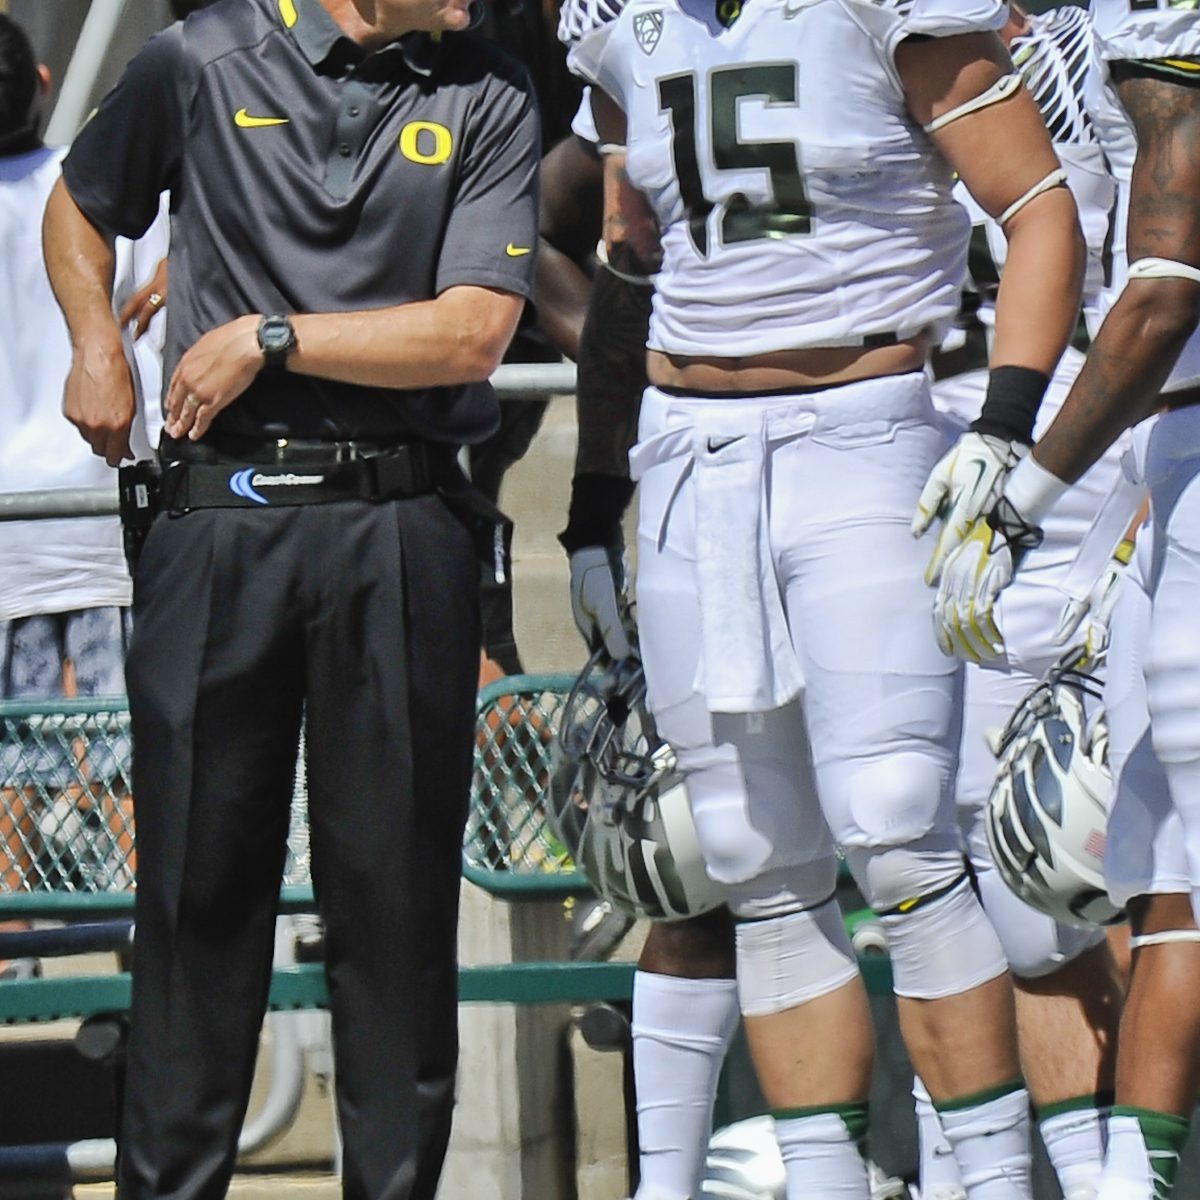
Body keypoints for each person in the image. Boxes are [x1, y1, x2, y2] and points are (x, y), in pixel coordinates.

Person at [569, 1, 1086, 1196]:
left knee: (899, 828)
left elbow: (1037, 207)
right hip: (689, 453)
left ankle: (997, 1185)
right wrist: (595, 502)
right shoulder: (623, 25)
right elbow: (630, 259)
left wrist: (1006, 429)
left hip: (857, 432)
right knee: (754, 859)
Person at [41, 1, 539, 1197]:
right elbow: (78, 203)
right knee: (193, 909)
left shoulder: (490, 91)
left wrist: (272, 337)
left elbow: (472, 334)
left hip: (402, 529)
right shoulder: (200, 58)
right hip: (218, 531)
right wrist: (94, 341)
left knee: (398, 919)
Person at [933, 2, 1200, 1195]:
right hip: (1151, 456)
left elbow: (1159, 293)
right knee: (1151, 883)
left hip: (1151, 447)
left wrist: (1026, 492)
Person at [921, 6, 1128, 1199]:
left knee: (1112, 851)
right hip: (921, 470)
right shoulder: (873, 39)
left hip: (1093, 456)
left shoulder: (1116, 36)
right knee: (993, 872)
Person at [0, 12, 166, 973]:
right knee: (123, 738)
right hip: (100, 494)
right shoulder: (92, 186)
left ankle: (14, 940)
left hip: (11, 524)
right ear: (46, 78)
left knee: (14, 754)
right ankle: (152, 941)